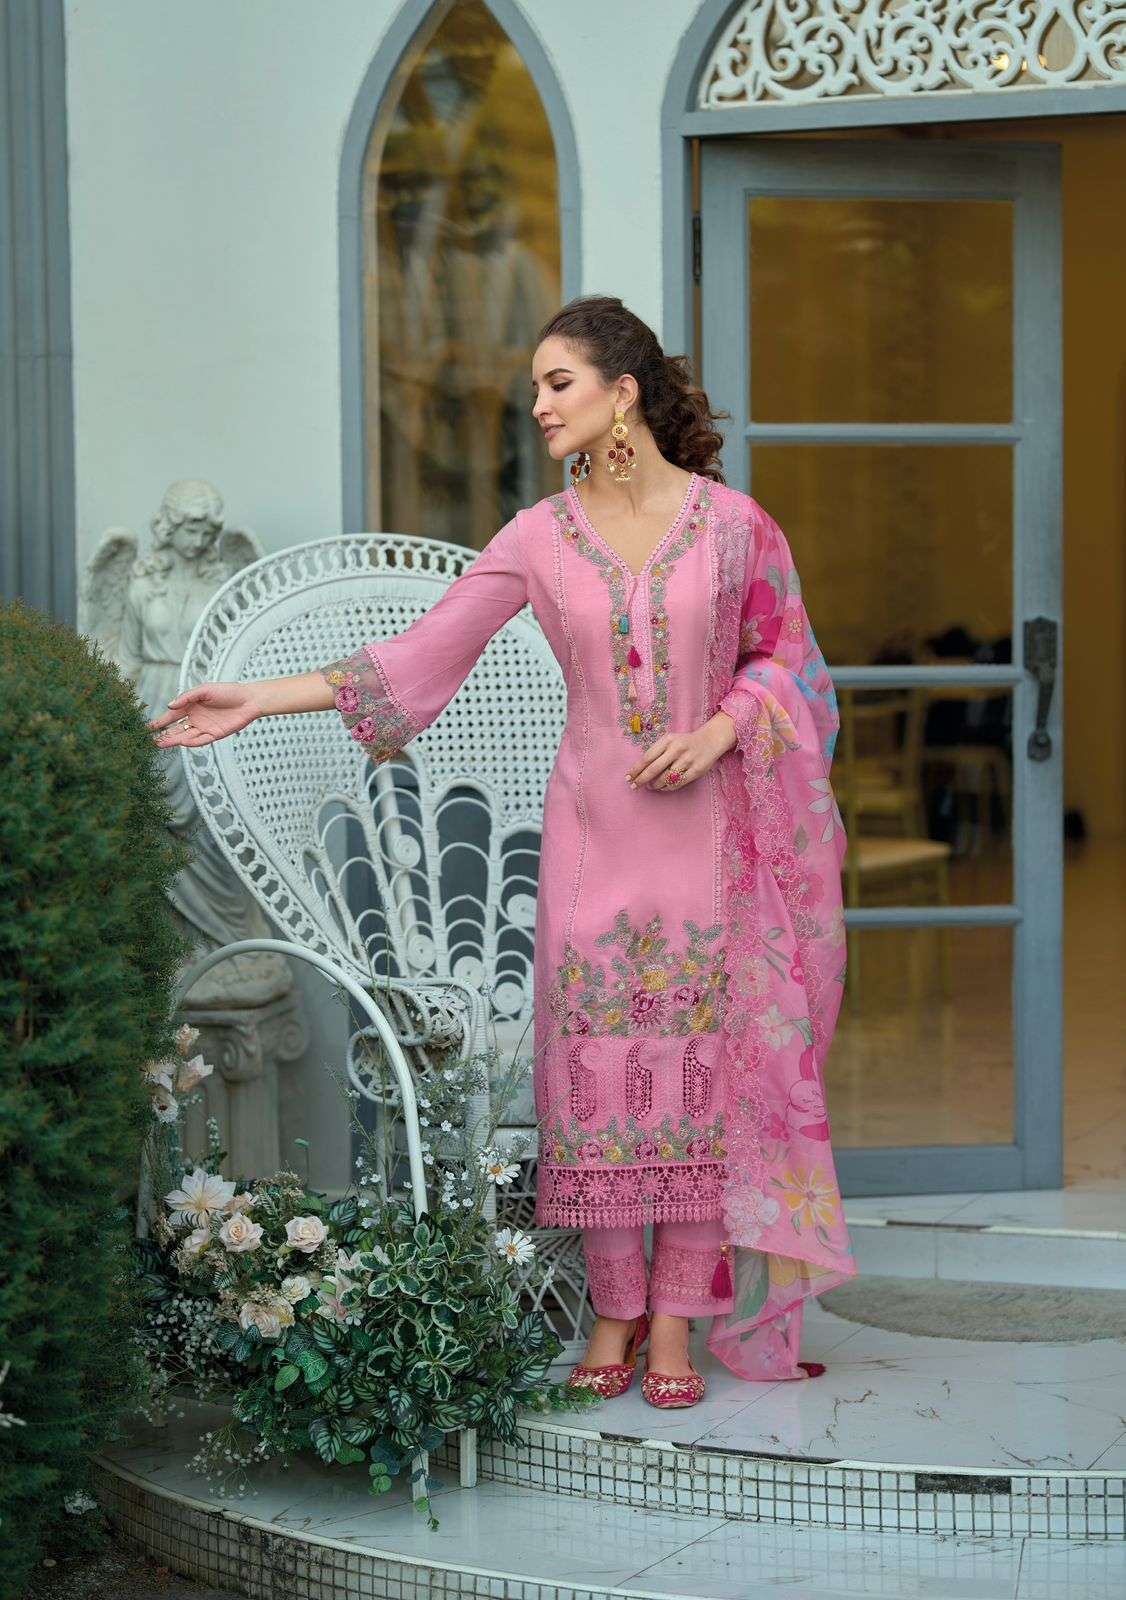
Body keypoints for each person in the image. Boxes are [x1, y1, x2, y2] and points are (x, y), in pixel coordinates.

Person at [150, 294, 855, 1409]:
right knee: (599, 1084)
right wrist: (256, 698)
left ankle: (678, 1317)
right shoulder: (538, 536)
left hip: (706, 847)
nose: (538, 407)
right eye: (535, 389)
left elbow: (788, 664)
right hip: (590, 847)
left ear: (624, 392)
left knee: (697, 1081)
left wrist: (721, 728)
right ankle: (615, 1310)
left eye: (557, 383)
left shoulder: (733, 527)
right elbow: (415, 658)